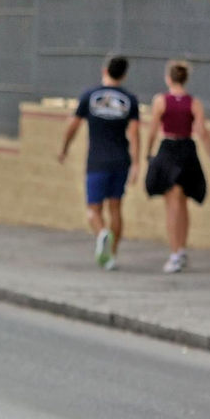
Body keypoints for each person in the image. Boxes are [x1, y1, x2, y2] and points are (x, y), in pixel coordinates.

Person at [57, 55, 141, 271]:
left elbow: (73, 126)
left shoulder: (90, 95)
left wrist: (64, 148)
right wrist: (137, 164)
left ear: (104, 70)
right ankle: (111, 255)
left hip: (97, 161)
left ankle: (102, 233)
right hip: (120, 161)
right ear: (124, 75)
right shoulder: (130, 99)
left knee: (93, 209)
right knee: (116, 208)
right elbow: (134, 134)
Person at [144, 60, 210, 273]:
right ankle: (181, 249)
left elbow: (153, 130)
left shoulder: (161, 101)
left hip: (169, 149)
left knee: (172, 205)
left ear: (168, 78)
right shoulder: (193, 103)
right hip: (187, 151)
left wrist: (147, 154)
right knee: (183, 203)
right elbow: (203, 133)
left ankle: (174, 252)